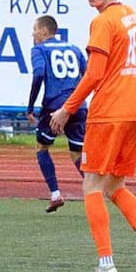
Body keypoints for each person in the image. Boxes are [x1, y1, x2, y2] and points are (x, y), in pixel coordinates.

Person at [50, 0, 136, 272]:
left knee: (91, 184)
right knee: (116, 185)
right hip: (132, 115)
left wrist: (67, 109)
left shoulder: (103, 22)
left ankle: (106, 262)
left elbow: (95, 74)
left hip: (107, 115)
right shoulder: (135, 18)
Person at [25, 15, 85, 211]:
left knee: (42, 147)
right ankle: (97, 187)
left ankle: (55, 194)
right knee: (77, 152)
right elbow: (88, 76)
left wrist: (31, 105)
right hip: (78, 105)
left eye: (34, 29)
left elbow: (39, 74)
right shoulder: (74, 49)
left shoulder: (39, 50)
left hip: (53, 107)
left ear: (43, 31)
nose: (32, 33)